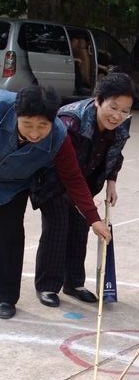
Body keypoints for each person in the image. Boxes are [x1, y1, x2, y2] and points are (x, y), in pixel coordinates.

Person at [0, 86, 111, 320]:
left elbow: (73, 178)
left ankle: (5, 297)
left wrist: (94, 219)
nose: (34, 133)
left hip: (14, 184)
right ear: (16, 114)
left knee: (10, 236)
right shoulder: (2, 107)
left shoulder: (59, 135)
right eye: (27, 124)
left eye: (42, 126)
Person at [33, 72, 135, 307]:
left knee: (79, 229)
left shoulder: (121, 123)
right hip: (52, 179)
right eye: (113, 107)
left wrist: (112, 180)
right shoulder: (71, 121)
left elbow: (114, 153)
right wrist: (91, 212)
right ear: (98, 100)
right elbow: (69, 173)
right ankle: (48, 286)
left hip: (84, 181)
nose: (118, 115)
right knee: (58, 227)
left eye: (124, 110)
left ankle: (74, 283)